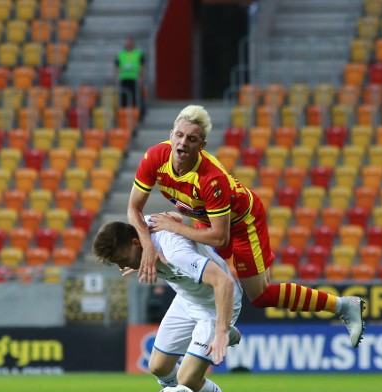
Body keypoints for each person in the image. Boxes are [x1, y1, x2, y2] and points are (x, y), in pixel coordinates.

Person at [127, 104, 366, 348]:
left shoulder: (212, 179)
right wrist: (147, 247)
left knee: (261, 296)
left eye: (192, 139)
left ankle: (343, 306)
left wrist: (176, 227)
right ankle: (223, 327)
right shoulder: (154, 157)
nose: (183, 143)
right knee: (194, 268)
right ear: (171, 135)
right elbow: (133, 208)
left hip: (242, 223)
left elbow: (220, 237)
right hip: (204, 222)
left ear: (202, 146)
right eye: (179, 135)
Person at [93, 219, 247, 392]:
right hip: (187, 299)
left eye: (122, 259)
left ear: (137, 243)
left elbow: (224, 283)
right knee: (158, 367)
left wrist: (221, 331)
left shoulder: (175, 254)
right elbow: (146, 215)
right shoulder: (143, 231)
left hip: (215, 305)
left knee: (186, 380)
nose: (122, 266)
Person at [114, 36, 145, 111]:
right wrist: (116, 78)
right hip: (124, 78)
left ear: (133, 43)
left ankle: (136, 116)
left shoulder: (138, 53)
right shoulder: (121, 54)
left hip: (134, 79)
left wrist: (141, 77)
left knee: (135, 98)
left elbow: (142, 66)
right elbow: (117, 67)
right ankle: (124, 118)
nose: (128, 44)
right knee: (123, 99)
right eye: (127, 42)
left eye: (130, 42)